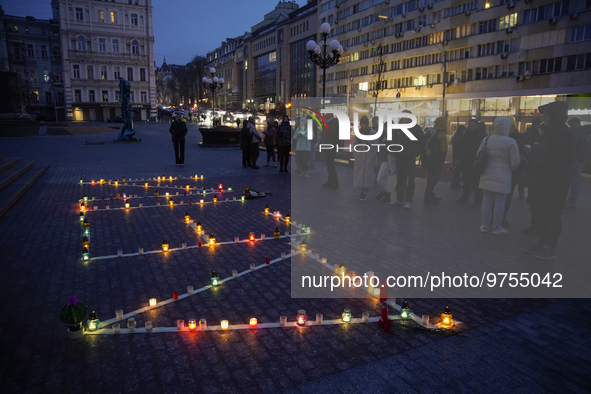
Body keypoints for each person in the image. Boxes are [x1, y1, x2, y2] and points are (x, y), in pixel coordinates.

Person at [523, 101, 574, 260]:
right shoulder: (549, 132)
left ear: (555, 116)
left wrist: (536, 159)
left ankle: (549, 246)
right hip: (541, 181)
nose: (543, 118)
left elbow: (565, 161)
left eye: (546, 115)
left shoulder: (564, 134)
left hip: (554, 183)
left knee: (552, 215)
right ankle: (541, 242)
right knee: (542, 213)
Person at [477, 117, 520, 235]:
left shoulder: (487, 139)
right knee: (500, 202)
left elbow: (479, 155)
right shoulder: (511, 142)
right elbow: (515, 163)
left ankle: (484, 225)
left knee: (486, 200)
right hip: (503, 175)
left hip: (487, 173)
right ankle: (497, 227)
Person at [391, 110, 425, 209]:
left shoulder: (416, 128)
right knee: (400, 179)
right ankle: (399, 199)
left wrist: (415, 152)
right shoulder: (398, 128)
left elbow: (422, 142)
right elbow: (393, 140)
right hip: (400, 156)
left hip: (410, 157)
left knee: (411, 180)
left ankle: (409, 200)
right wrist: (394, 151)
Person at [501, 116, 528, 227]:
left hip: (503, 171)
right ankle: (501, 219)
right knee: (506, 196)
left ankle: (498, 218)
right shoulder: (517, 139)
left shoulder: (495, 138)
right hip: (511, 171)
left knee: (499, 196)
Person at [456, 119, 485, 207]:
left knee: (476, 182)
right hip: (466, 161)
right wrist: (460, 157)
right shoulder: (467, 135)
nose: (469, 127)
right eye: (469, 125)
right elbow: (463, 146)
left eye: (471, 125)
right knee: (466, 180)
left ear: (476, 126)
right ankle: (465, 197)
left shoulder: (480, 136)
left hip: (475, 161)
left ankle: (477, 200)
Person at [423, 117, 448, 204]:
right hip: (437, 159)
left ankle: (430, 194)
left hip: (430, 158)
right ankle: (428, 196)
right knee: (434, 178)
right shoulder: (441, 134)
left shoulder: (432, 131)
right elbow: (443, 149)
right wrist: (442, 159)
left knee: (430, 177)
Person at [566, 117, 589, 209]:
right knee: (577, 180)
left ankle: (572, 200)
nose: (570, 126)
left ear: (574, 123)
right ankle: (573, 199)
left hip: (575, 160)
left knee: (573, 181)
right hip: (581, 160)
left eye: (570, 124)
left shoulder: (576, 134)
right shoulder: (584, 133)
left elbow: (571, 147)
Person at [354, 115, 377, 201]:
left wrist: (372, 155)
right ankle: (362, 191)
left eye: (364, 124)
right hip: (360, 156)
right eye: (362, 124)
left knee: (367, 176)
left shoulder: (373, 133)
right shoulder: (359, 133)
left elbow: (375, 145)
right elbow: (355, 144)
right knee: (360, 176)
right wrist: (356, 154)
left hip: (368, 157)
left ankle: (365, 193)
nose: (363, 126)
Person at [374, 116, 392, 203]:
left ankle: (384, 192)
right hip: (383, 159)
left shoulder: (390, 138)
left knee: (380, 178)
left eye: (386, 127)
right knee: (385, 178)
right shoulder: (385, 136)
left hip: (387, 160)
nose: (384, 129)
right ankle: (387, 194)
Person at [322, 117, 340, 189]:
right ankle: (330, 182)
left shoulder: (329, 125)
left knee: (330, 166)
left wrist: (321, 134)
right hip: (333, 148)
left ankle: (335, 183)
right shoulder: (335, 124)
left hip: (328, 148)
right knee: (330, 165)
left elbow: (325, 136)